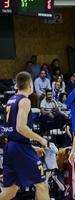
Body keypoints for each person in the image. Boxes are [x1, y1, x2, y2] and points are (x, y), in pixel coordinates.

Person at [0, 72, 49, 200]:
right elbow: (20, 128)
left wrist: (31, 147)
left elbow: (13, 133)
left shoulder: (10, 100)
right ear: (30, 84)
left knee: (10, 191)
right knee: (42, 185)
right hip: (19, 147)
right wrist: (41, 139)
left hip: (10, 147)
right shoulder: (24, 100)